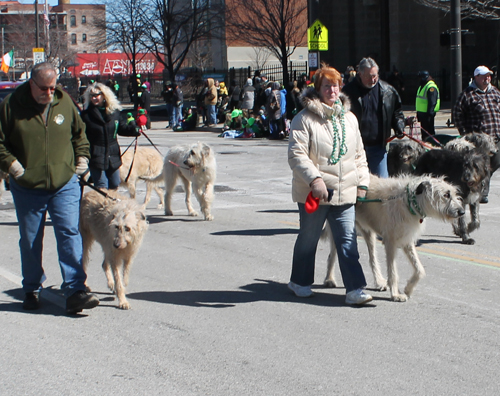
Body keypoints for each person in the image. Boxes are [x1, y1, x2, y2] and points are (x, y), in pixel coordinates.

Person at [0, 62, 99, 313]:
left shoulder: (63, 101)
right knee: (31, 239)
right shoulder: (11, 106)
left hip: (64, 182)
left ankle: (76, 289)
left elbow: (79, 134)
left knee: (69, 232)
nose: (49, 93)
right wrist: (11, 164)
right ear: (31, 84)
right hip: (27, 184)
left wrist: (82, 157)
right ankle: (32, 287)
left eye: (53, 87)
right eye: (43, 88)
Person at [287, 64, 372, 305]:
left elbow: (359, 155)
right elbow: (297, 155)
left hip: (345, 191)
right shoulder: (303, 120)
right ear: (318, 89)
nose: (332, 90)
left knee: (347, 240)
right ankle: (299, 281)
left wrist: (362, 183)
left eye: (335, 85)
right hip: (316, 192)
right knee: (309, 238)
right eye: (327, 86)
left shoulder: (350, 119)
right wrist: (315, 180)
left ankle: (355, 289)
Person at [342, 57, 404, 178]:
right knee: (357, 185)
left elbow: (397, 112)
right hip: (355, 149)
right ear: (359, 74)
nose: (373, 79)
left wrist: (399, 125)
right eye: (369, 76)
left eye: (375, 75)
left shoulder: (388, 91)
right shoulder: (348, 92)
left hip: (378, 148)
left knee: (382, 185)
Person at [453, 65, 500, 203]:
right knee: (481, 166)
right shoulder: (468, 94)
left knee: (493, 164)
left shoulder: (495, 92)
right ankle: (482, 193)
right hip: (479, 141)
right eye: (484, 76)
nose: (488, 78)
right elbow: (457, 114)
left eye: (489, 75)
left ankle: (481, 186)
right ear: (476, 77)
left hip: (496, 138)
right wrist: (465, 133)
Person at [80, 82, 140, 190]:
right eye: (91, 96)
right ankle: (102, 206)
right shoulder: (86, 115)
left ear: (104, 95)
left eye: (97, 95)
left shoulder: (114, 112)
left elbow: (121, 129)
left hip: (113, 154)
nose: (94, 98)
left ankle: (111, 205)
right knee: (101, 186)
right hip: (96, 154)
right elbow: (81, 135)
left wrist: (134, 130)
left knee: (115, 183)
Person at [415, 71, 440, 137]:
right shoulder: (423, 86)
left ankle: (431, 145)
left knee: (429, 133)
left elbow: (432, 101)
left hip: (427, 114)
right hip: (423, 114)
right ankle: (426, 144)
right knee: (424, 134)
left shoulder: (431, 87)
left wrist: (430, 114)